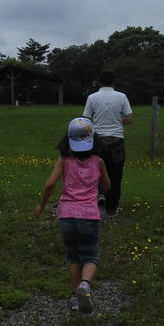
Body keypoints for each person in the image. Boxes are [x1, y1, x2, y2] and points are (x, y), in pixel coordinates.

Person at [33, 117, 111, 313]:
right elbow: (107, 186)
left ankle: (75, 299)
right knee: (90, 255)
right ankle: (85, 284)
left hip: (66, 215)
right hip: (89, 216)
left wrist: (42, 205)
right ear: (93, 139)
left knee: (73, 256)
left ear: (68, 140)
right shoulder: (98, 162)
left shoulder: (64, 160)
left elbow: (50, 184)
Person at [83, 68, 133, 217]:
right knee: (115, 175)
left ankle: (99, 197)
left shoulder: (92, 97)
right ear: (113, 81)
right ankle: (111, 210)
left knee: (95, 173)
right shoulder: (122, 97)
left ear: (99, 81)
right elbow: (129, 119)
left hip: (97, 141)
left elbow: (85, 119)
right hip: (117, 141)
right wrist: (117, 122)